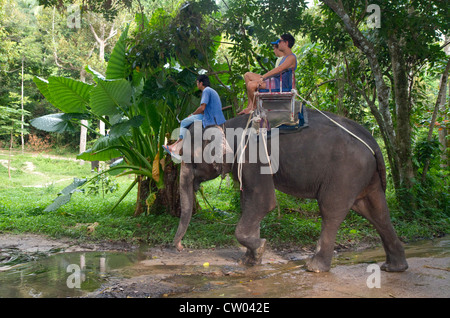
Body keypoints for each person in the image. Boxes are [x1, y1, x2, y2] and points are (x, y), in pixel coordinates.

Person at [163, 74, 226, 157]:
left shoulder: (206, 91)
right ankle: (176, 145)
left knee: (184, 122)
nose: (197, 84)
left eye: (197, 82)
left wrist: (192, 114)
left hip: (210, 119)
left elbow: (202, 107)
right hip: (215, 117)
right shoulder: (212, 91)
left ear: (201, 83)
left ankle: (177, 147)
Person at [240, 33, 297, 115]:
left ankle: (254, 107)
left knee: (251, 85)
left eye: (279, 41)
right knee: (247, 75)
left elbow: (279, 69)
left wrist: (263, 77)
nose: (278, 43)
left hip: (279, 84)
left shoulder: (291, 57)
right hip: (275, 80)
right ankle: (250, 106)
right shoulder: (284, 57)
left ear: (286, 43)